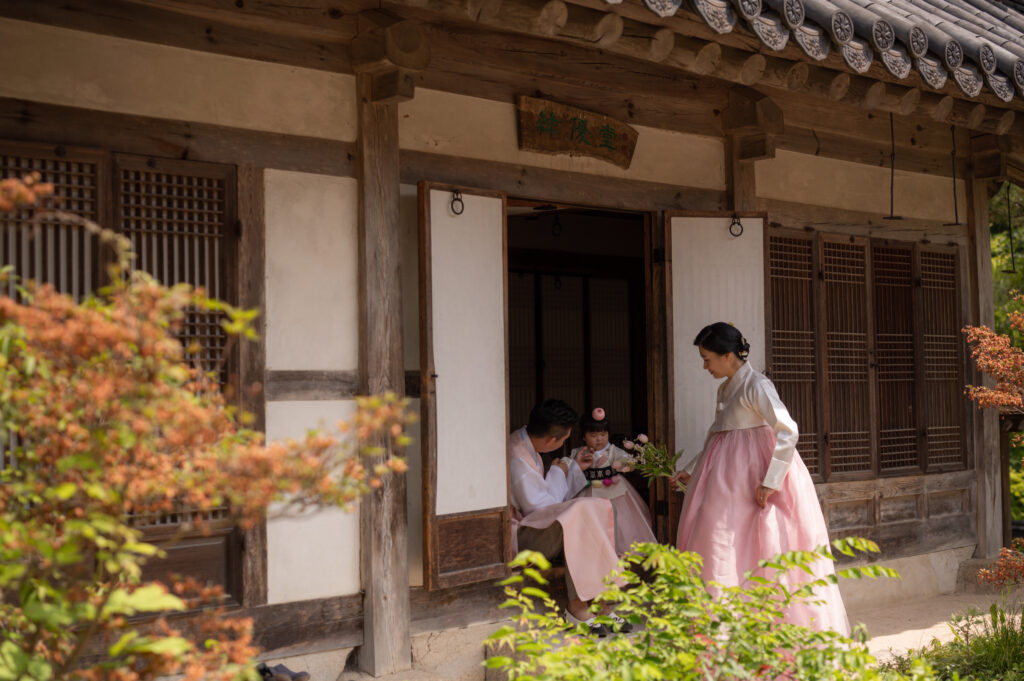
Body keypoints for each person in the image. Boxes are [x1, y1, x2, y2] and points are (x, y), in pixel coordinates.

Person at [671, 322, 849, 634]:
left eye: (707, 358)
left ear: (727, 355)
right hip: (725, 477)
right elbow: (719, 434)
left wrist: (771, 480)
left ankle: (769, 629)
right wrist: (694, 466)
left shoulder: (757, 385)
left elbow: (788, 430)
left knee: (761, 545)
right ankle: (725, 629)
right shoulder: (725, 386)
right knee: (721, 544)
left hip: (753, 473)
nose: (705, 366)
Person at [510, 399, 622, 632]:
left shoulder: (527, 444)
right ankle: (580, 606)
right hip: (520, 539)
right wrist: (558, 472)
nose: (562, 443)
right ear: (552, 440)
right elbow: (542, 510)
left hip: (536, 527)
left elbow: (548, 500)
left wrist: (572, 469)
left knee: (590, 508)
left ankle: (600, 601)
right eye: (562, 440)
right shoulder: (517, 458)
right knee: (580, 514)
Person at [571, 407, 656, 554]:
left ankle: (622, 551)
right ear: (584, 436)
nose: (599, 439)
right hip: (590, 490)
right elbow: (572, 469)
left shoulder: (613, 451)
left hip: (614, 490)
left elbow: (625, 459)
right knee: (592, 520)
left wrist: (628, 463)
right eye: (593, 435)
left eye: (603, 434)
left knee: (622, 520)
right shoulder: (579, 453)